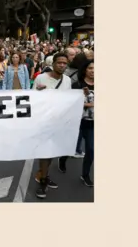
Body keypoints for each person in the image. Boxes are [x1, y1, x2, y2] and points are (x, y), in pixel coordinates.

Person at [33, 52, 72, 199]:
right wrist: (38, 92)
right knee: (45, 152)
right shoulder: (41, 78)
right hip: (44, 122)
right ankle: (42, 181)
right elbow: (31, 98)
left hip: (60, 123)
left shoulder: (67, 80)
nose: (62, 65)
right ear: (53, 64)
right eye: (59, 62)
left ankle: (43, 174)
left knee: (52, 153)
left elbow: (68, 100)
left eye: (64, 63)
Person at [58, 59, 94, 187]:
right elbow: (70, 103)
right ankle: (62, 159)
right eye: (90, 68)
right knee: (71, 146)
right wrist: (87, 103)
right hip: (77, 122)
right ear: (85, 70)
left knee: (91, 149)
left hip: (92, 124)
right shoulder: (77, 85)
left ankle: (85, 175)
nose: (93, 71)